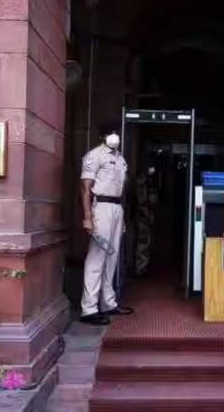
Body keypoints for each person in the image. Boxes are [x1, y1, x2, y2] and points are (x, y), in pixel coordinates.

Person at [79, 120, 134, 326]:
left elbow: (121, 190)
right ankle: (89, 309)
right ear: (102, 135)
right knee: (97, 257)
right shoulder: (94, 156)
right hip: (100, 207)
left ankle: (108, 303)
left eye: (116, 132)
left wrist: (122, 217)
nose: (115, 136)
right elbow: (85, 189)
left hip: (116, 208)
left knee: (112, 257)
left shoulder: (121, 159)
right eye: (110, 132)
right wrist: (87, 217)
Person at [134, 164, 158, 277]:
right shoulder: (141, 186)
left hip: (143, 217)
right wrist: (147, 215)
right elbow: (142, 202)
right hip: (142, 217)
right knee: (143, 243)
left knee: (144, 243)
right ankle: (140, 268)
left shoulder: (144, 185)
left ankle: (142, 267)